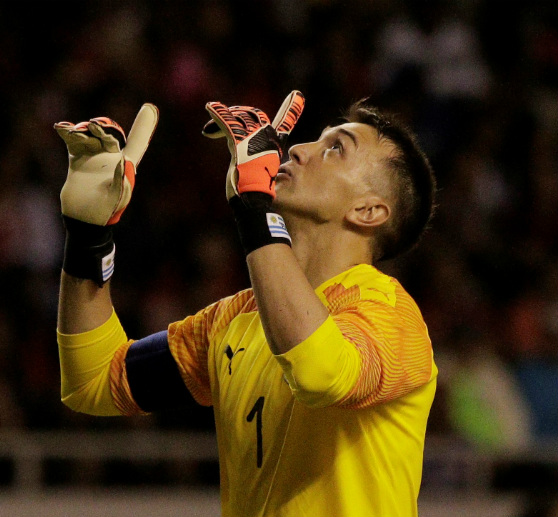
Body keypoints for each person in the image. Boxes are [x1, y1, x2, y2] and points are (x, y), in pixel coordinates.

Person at [54, 91, 437, 517]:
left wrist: (255, 208)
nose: (298, 148)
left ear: (369, 211)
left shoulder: (391, 314)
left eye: (335, 149)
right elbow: (93, 381)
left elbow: (321, 371)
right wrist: (88, 236)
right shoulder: (237, 318)